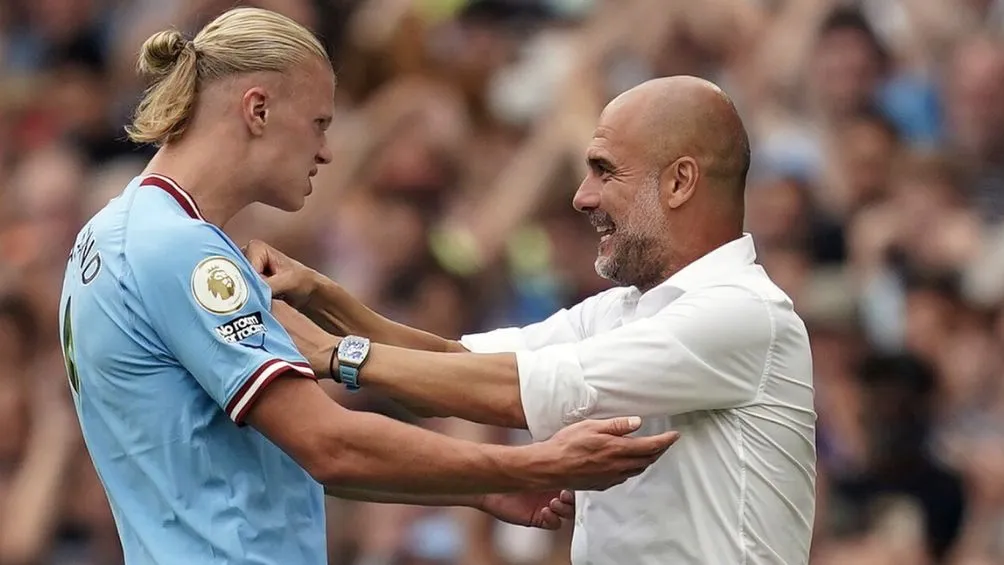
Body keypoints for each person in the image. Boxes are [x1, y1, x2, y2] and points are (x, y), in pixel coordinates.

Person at [56, 8, 681, 565]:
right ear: (258, 109)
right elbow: (328, 444)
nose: (328, 151)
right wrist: (533, 462)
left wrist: (481, 486)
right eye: (320, 122)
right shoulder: (181, 250)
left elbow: (291, 457)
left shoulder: (109, 233)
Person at [252, 75, 817, 564]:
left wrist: (337, 355)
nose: (582, 197)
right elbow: (453, 366)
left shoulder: (742, 312)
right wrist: (322, 295)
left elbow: (513, 392)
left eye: (603, 171)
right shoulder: (622, 310)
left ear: (679, 181)